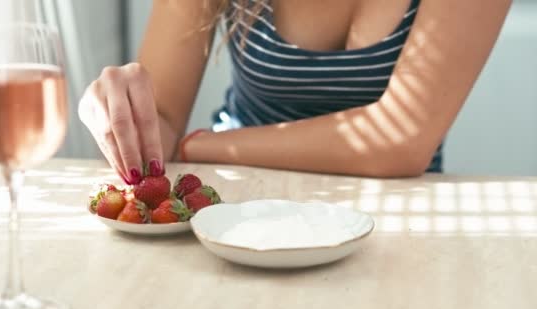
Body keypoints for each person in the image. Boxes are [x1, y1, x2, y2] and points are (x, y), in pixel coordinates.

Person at [78, 0, 511, 184]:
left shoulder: (202, 149)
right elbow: (161, 130)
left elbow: (400, 143)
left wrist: (198, 148)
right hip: (236, 209)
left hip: (400, 220)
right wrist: (120, 110)